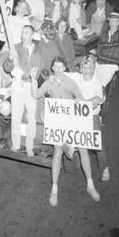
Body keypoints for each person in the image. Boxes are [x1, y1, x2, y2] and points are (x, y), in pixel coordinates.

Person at [31, 56, 87, 207]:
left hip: (69, 120)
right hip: (56, 120)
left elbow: (81, 98)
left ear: (65, 68)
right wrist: (32, 79)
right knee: (57, 151)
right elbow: (36, 95)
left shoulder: (71, 82)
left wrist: (77, 101)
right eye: (55, 67)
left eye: (61, 66)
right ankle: (54, 187)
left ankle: (68, 146)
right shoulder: (49, 82)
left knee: (59, 149)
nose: (58, 69)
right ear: (53, 68)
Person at [66, 54, 109, 182]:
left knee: (97, 142)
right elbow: (62, 75)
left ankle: (105, 167)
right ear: (80, 69)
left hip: (91, 115)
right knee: (65, 133)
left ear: (94, 68)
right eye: (84, 65)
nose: (86, 67)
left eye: (89, 64)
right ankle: (72, 147)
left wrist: (83, 102)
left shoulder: (96, 82)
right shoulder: (76, 77)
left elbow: (97, 100)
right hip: (75, 114)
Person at [3, 25, 43, 157]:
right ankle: (15, 145)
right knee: (16, 115)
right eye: (22, 32)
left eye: (26, 33)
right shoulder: (15, 48)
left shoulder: (38, 49)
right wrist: (9, 59)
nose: (23, 35)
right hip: (17, 85)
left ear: (32, 35)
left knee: (31, 117)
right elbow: (7, 68)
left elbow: (40, 66)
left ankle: (29, 147)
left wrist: (35, 74)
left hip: (31, 85)